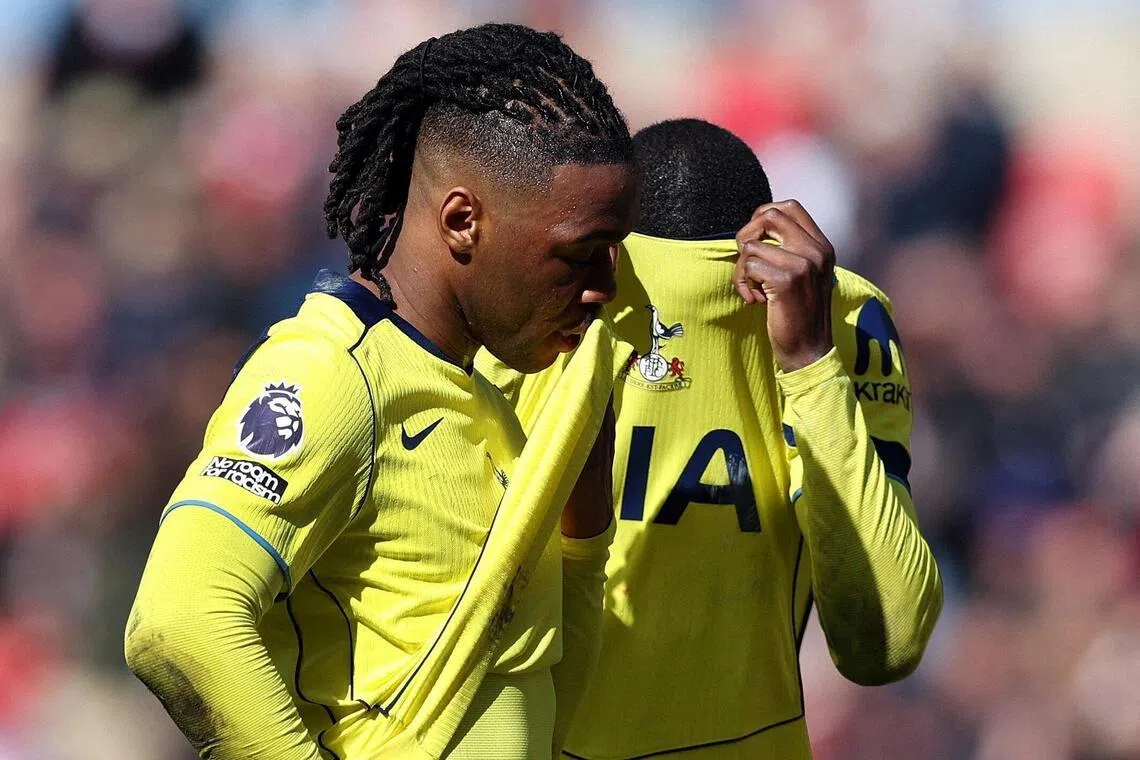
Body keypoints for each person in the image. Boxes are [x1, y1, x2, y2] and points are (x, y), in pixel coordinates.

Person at [124, 24, 641, 760]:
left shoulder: (488, 400)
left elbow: (532, 695)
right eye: (581, 253)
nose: (605, 287)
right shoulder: (330, 374)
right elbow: (178, 622)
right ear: (462, 222)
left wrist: (583, 543)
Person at [477, 118, 943, 759]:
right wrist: (811, 364)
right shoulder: (838, 313)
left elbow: (886, 643)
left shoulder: (519, 295)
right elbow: (886, 643)